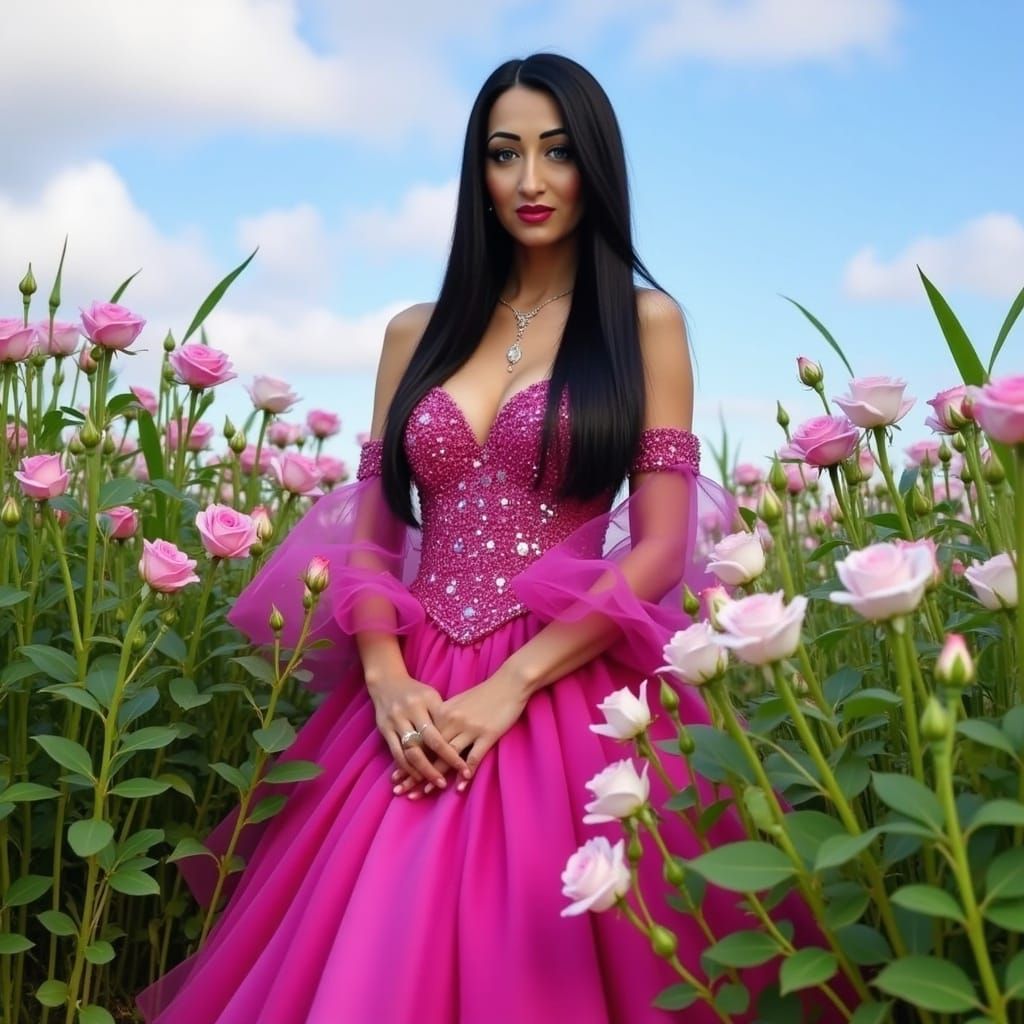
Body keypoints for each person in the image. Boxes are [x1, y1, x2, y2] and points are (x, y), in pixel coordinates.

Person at [137, 53, 800, 1023]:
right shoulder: (417, 332)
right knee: (366, 952)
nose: (530, 181)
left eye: (557, 152)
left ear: (595, 166)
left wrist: (510, 685)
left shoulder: (643, 322)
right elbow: (370, 536)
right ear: (476, 175)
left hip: (562, 684)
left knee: (548, 953)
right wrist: (384, 674)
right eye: (504, 154)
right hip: (407, 692)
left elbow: (658, 549)